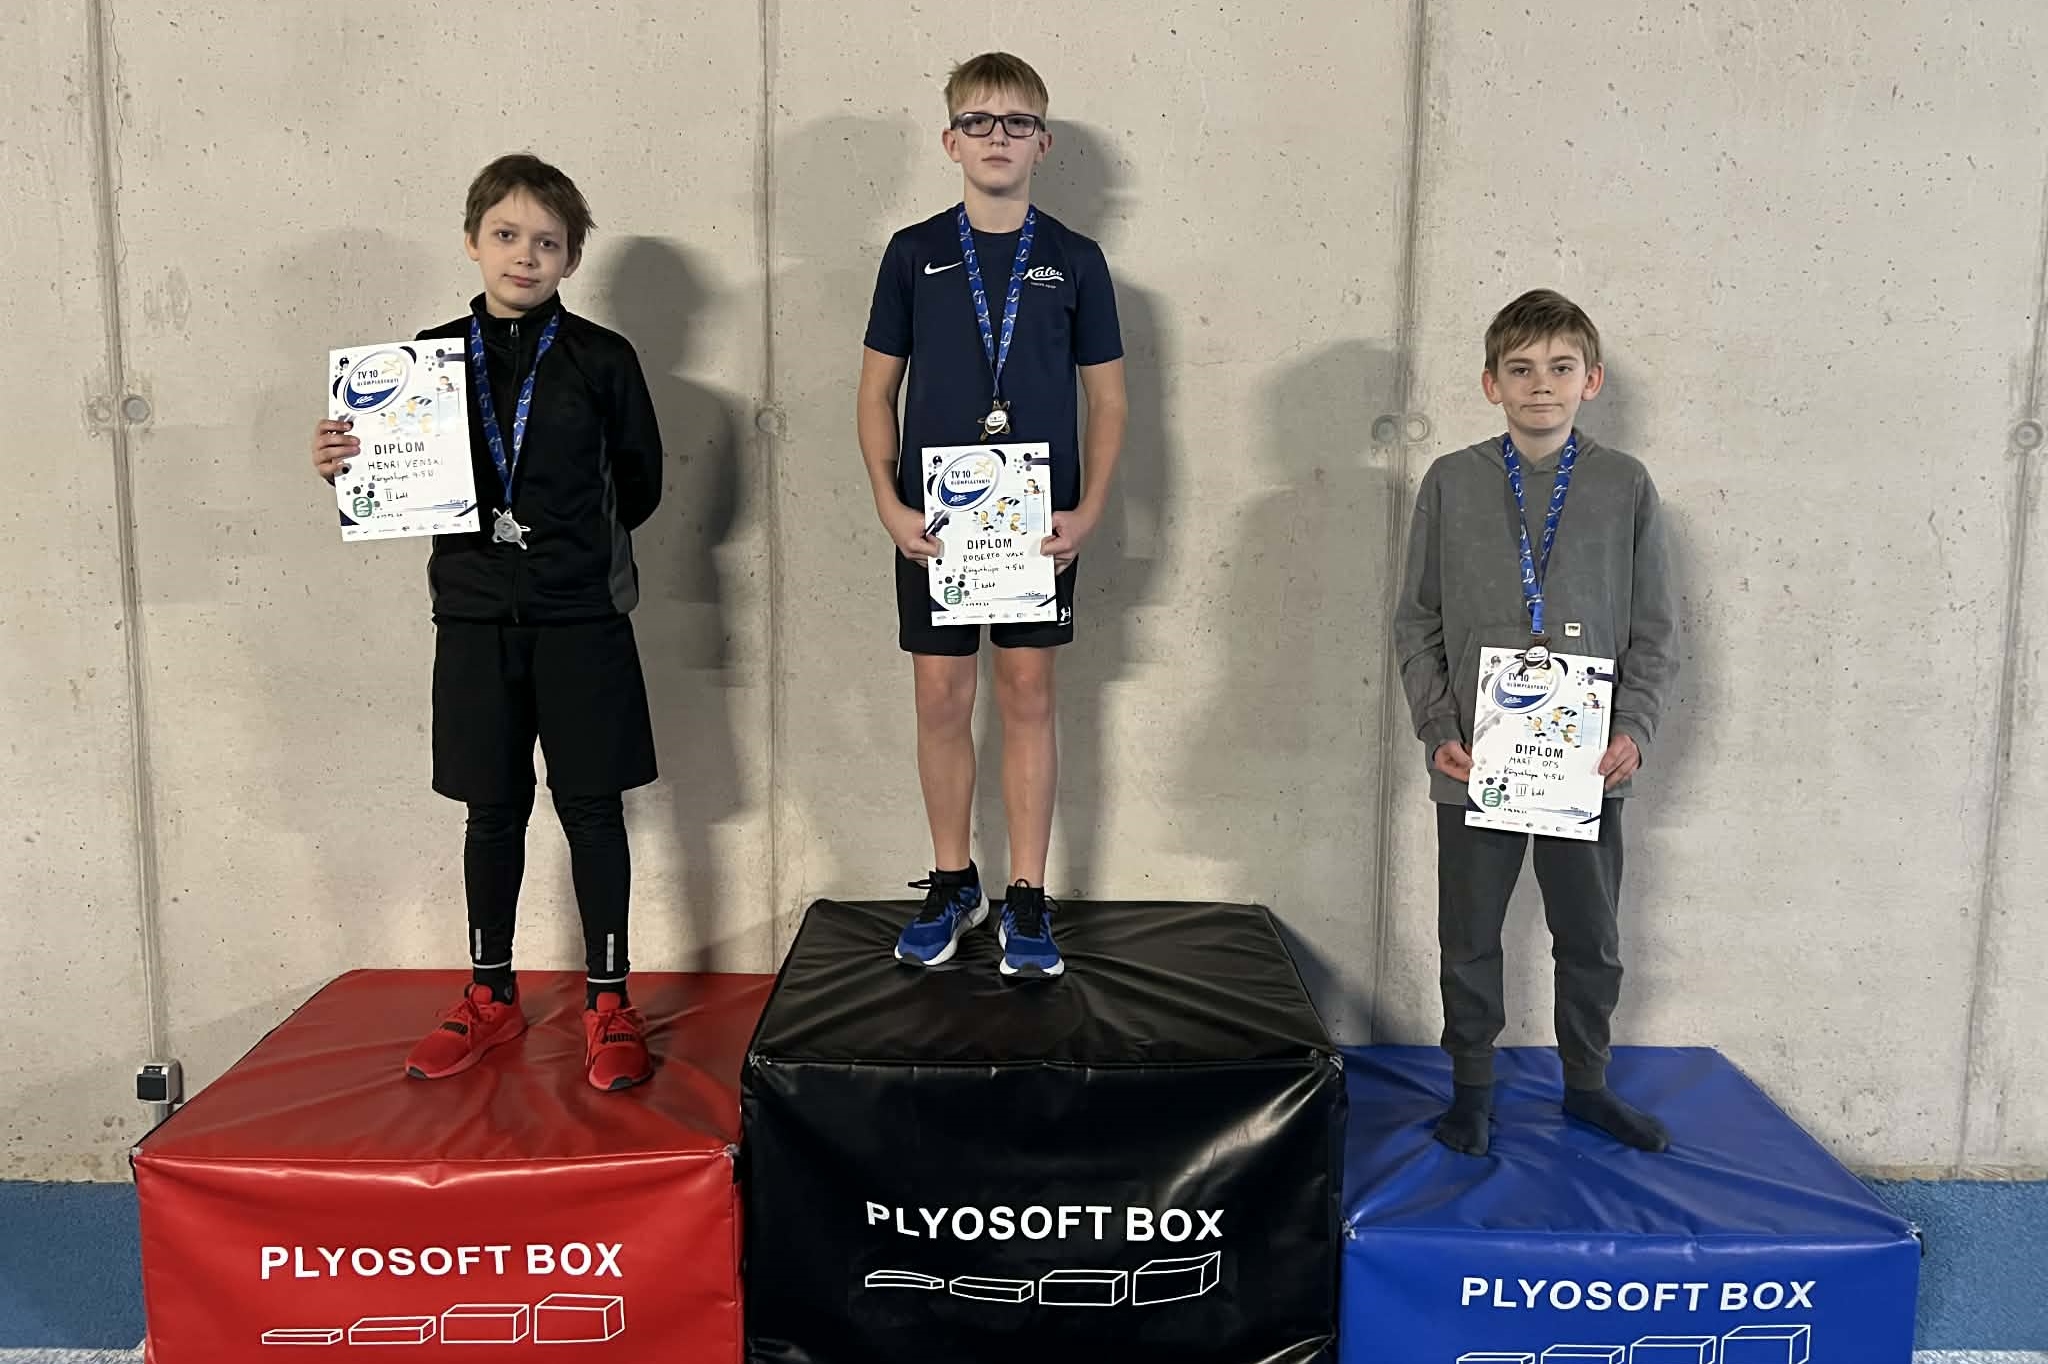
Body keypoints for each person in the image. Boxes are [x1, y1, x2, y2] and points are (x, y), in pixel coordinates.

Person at [311, 154, 664, 1090]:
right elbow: (384, 484)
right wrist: (347, 463)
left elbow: (641, 486)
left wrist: (566, 549)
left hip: (581, 616)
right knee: (491, 809)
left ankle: (609, 1001)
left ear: (571, 258)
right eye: (506, 235)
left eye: (547, 242)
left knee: (592, 807)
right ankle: (490, 994)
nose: (525, 255)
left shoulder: (602, 360)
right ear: (472, 241)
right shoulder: (419, 366)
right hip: (471, 616)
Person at [856, 53, 1127, 978]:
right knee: (940, 697)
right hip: (935, 523)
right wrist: (889, 504)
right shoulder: (912, 253)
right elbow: (874, 394)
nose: (997, 136)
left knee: (1027, 694)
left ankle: (1027, 894)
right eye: (978, 121)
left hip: (1037, 524)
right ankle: (951, 881)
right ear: (950, 141)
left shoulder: (1076, 260)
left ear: (1043, 142)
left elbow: (1110, 402)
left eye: (1016, 122)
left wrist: (1088, 512)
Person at [1393, 289, 1680, 1155]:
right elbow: (1417, 620)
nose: (1540, 385)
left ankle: (1587, 1084)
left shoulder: (1625, 485)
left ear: (1591, 380)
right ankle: (1471, 1091)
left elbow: (1655, 630)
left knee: (1589, 934)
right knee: (1468, 933)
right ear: (1492, 384)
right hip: (1477, 756)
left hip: (1584, 760)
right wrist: (1437, 726)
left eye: (1560, 367)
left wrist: (1634, 730)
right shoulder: (1452, 481)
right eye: (1519, 370)